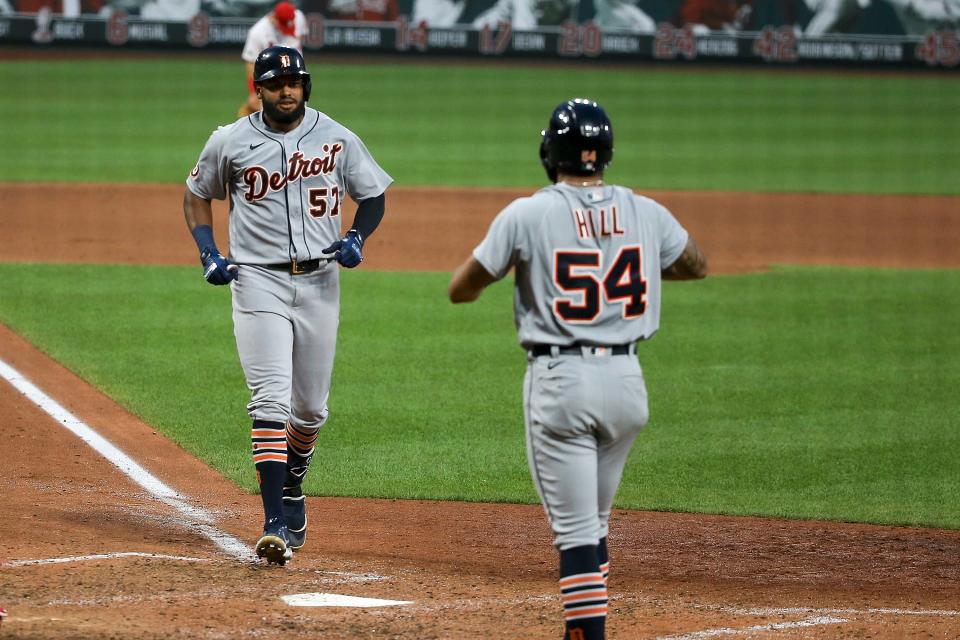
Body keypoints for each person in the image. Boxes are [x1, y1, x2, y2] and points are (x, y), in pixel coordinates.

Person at [448, 98, 707, 639]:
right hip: (628, 387)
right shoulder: (646, 211)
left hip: (562, 385)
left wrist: (525, 267)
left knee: (574, 533)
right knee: (594, 523)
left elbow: (462, 288)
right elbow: (695, 264)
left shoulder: (529, 213)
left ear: (551, 153)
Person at [183, 45, 392, 565]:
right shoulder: (229, 141)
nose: (286, 91)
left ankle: (294, 483)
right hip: (257, 283)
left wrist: (357, 238)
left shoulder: (336, 136)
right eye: (276, 83)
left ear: (306, 86)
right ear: (260, 88)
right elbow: (195, 194)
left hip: (321, 283)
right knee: (270, 400)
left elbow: (374, 194)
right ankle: (275, 519)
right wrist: (209, 252)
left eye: (294, 82)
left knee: (311, 410)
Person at [238, 2, 308, 118]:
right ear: (274, 18)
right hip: (273, 83)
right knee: (273, 123)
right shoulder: (257, 32)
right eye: (284, 25)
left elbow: (300, 37)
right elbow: (250, 64)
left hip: (296, 80)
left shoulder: (299, 17)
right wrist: (254, 92)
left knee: (299, 119)